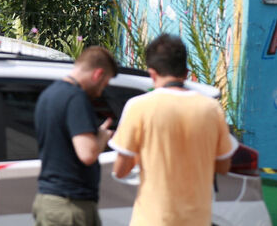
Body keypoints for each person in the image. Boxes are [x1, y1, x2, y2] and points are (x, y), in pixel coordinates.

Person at [109, 34, 238, 226]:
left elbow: (120, 170)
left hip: (152, 220)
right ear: (186, 73)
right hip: (197, 220)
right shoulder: (211, 109)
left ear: (152, 73)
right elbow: (223, 167)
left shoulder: (139, 107)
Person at [33, 46, 117, 226]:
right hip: (70, 206)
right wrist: (102, 137)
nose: (102, 90)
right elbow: (87, 154)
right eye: (105, 83)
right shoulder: (76, 98)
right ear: (98, 74)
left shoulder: (49, 94)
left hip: (48, 200)